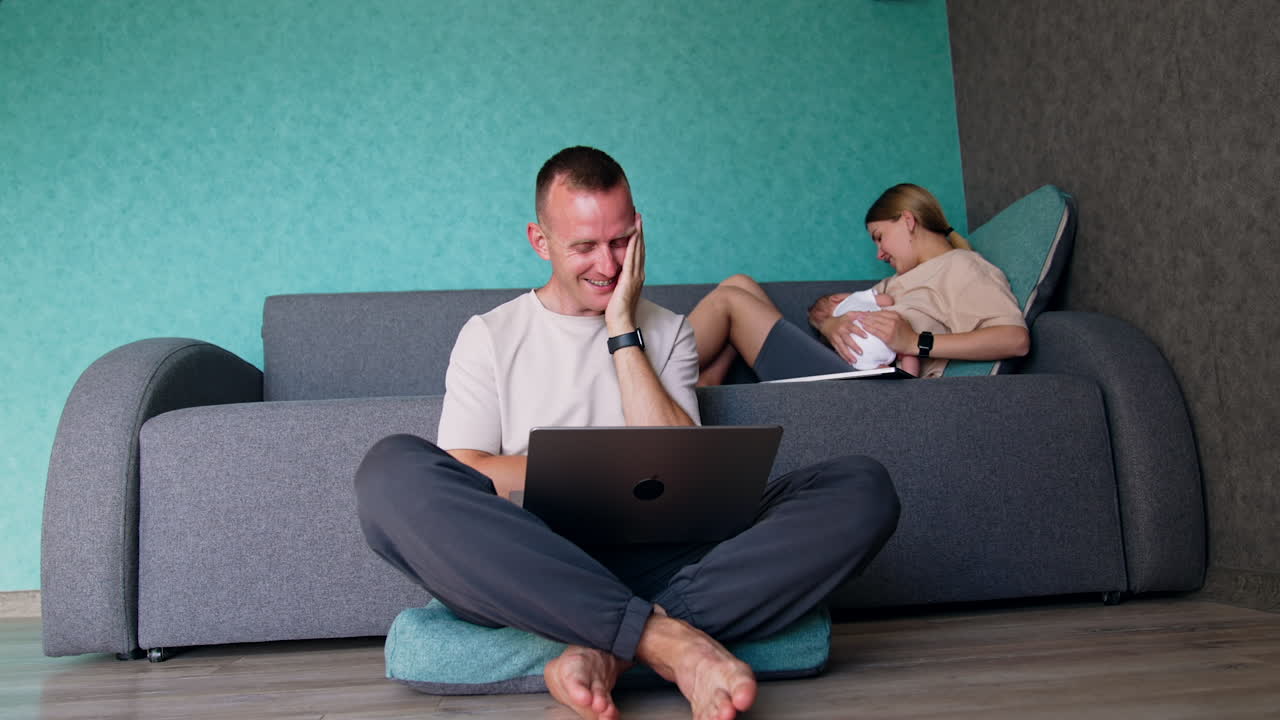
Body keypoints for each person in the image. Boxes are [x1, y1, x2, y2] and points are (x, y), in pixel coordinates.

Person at [353, 146, 900, 720]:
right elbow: (467, 470)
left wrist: (622, 331)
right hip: (540, 561)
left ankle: (607, 644)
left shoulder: (669, 332)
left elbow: (685, 472)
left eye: (620, 242)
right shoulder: (489, 335)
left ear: (638, 230)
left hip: (671, 557)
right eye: (584, 247)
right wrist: (587, 476)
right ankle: (670, 642)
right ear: (541, 242)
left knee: (862, 488)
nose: (608, 267)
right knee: (391, 473)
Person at [688, 183, 1031, 386]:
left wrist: (915, 342)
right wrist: (832, 322)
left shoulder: (961, 266)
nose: (879, 253)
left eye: (879, 238)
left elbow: (1015, 340)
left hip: (874, 387)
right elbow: (833, 313)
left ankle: (642, 372)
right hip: (838, 367)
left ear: (908, 221)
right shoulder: (896, 282)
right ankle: (702, 388)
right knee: (739, 283)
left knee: (730, 301)